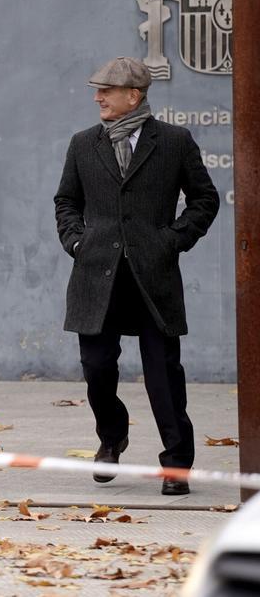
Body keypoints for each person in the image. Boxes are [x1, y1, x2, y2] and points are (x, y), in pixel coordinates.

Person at [54, 56, 219, 495]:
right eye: (97, 90)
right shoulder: (83, 143)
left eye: (106, 91)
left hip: (153, 274)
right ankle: (112, 436)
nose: (98, 97)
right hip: (96, 275)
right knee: (97, 368)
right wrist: (76, 241)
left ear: (135, 96)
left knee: (163, 373)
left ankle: (176, 463)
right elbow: (66, 202)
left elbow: (205, 199)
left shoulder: (174, 142)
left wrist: (173, 240)